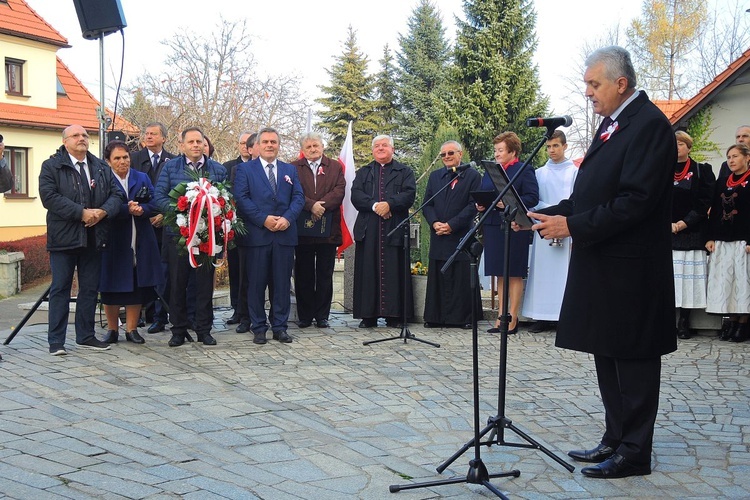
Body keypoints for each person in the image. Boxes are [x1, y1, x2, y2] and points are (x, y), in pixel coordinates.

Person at [528, 46, 677, 479]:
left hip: (631, 267)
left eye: (594, 84)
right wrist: (553, 214)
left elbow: (636, 201)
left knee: (632, 356)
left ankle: (635, 452)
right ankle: (615, 437)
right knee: (607, 351)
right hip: (604, 262)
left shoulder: (648, 125)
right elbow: (593, 194)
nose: (588, 92)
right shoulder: (612, 125)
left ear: (620, 83)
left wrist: (573, 226)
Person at [38, 124, 125, 355]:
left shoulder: (100, 167)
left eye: (85, 135)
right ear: (65, 141)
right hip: (64, 238)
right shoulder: (52, 166)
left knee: (89, 288)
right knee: (60, 289)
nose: (82, 139)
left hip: (94, 236)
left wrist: (103, 212)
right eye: (76, 135)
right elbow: (49, 197)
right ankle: (56, 341)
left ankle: (85, 336)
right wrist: (81, 213)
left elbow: (117, 195)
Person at [155, 127, 228, 347]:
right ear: (182, 145)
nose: (195, 145)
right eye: (191, 142)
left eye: (199, 141)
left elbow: (226, 198)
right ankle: (178, 329)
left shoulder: (217, 169)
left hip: (207, 238)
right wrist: (183, 214)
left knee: (204, 285)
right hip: (179, 237)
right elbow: (158, 196)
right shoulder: (169, 168)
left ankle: (204, 329)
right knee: (177, 284)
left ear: (205, 144)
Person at [234, 127, 304, 344]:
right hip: (257, 236)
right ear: (257, 146)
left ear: (278, 145)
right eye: (265, 142)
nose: (269, 145)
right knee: (256, 284)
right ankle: (259, 327)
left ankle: (280, 327)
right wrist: (263, 219)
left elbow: (299, 197)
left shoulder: (289, 170)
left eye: (273, 142)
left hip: (284, 236)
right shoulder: (244, 170)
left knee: (282, 284)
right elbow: (241, 198)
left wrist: (287, 218)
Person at [99, 140, 163, 344]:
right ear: (108, 161)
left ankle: (132, 329)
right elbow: (102, 205)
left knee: (137, 284)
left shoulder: (141, 177)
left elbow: (155, 202)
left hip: (140, 236)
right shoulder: (103, 179)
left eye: (125, 157)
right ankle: (112, 329)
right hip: (113, 240)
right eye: (117, 158)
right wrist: (127, 209)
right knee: (111, 285)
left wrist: (143, 210)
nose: (122, 162)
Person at [351, 135, 416, 328]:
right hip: (368, 228)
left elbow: (409, 195)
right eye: (377, 146)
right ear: (372, 150)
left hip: (393, 227)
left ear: (392, 149)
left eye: (384, 145)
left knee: (395, 271)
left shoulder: (405, 171)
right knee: (367, 271)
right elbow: (356, 195)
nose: (380, 148)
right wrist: (374, 206)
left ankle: (395, 316)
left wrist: (390, 204)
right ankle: (368, 315)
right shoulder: (363, 172)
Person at [477, 131, 538, 335]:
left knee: (513, 273)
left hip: (515, 226)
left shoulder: (524, 170)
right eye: (495, 150)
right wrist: (480, 204)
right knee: (499, 273)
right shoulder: (490, 172)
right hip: (494, 225)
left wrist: (509, 203)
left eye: (500, 150)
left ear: (512, 151)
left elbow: (532, 197)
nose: (496, 154)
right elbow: (484, 192)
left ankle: (513, 317)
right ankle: (501, 317)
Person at [522, 130, 578, 333]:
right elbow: (534, 199)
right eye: (548, 147)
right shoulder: (539, 173)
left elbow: (575, 199)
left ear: (565, 146)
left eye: (556, 146)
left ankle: (564, 316)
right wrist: (545, 211)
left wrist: (561, 214)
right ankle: (542, 316)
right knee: (542, 272)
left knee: (565, 273)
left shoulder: (575, 172)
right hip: (544, 224)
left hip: (566, 225)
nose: (552, 150)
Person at [422, 140, 481, 328]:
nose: (447, 157)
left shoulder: (472, 176)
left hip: (460, 234)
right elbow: (427, 204)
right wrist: (435, 223)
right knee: (439, 276)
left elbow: (473, 205)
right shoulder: (435, 176)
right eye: (443, 154)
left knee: (461, 277)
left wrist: (451, 225)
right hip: (438, 234)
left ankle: (464, 318)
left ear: (460, 154)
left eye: (451, 153)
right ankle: (435, 317)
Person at [291, 132, 346, 329]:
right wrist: (311, 205)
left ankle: (322, 315)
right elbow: (293, 191)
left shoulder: (335, 167)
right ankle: (305, 315)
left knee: (325, 273)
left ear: (323, 147)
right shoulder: (293, 168)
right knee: (303, 273)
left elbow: (340, 190)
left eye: (316, 145)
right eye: (309, 147)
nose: (313, 149)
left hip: (328, 229)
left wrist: (321, 206)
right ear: (303, 150)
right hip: (302, 230)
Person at [130, 122, 176, 334]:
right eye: (146, 133)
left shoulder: (174, 161)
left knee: (163, 272)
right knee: (139, 270)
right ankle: (139, 315)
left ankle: (160, 315)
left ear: (163, 138)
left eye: (153, 134)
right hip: (140, 225)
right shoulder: (133, 159)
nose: (148, 137)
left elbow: (176, 194)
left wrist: (163, 215)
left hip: (166, 227)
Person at [671, 131, 715, 340]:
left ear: (688, 147)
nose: (677, 147)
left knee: (687, 282)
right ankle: (667, 320)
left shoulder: (702, 170)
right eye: (674, 144)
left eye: (681, 144)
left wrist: (683, 223)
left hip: (692, 231)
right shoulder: (662, 170)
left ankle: (684, 322)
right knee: (668, 280)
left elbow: (704, 201)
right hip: (667, 232)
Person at [705, 143, 750, 342]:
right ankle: (731, 321)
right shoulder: (722, 182)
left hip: (743, 240)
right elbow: (714, 211)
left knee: (743, 283)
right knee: (727, 283)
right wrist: (710, 237)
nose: (731, 160)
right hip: (723, 239)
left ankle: (743, 324)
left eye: (735, 156)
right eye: (729, 157)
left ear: (747, 158)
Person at [228, 132, 259, 333]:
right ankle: (244, 314)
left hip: (272, 230)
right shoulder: (238, 169)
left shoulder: (282, 169)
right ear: (249, 148)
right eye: (259, 143)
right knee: (245, 276)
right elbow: (237, 197)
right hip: (247, 228)